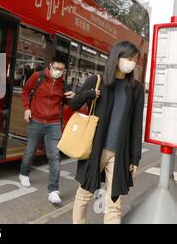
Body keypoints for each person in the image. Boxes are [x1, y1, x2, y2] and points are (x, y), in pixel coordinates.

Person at [69, 41, 144, 224]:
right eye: (128, 58)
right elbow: (73, 104)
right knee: (84, 196)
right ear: (116, 58)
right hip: (96, 150)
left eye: (134, 59)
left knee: (114, 202)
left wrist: (135, 158)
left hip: (119, 153)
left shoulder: (136, 88)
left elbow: (136, 124)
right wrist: (88, 95)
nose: (132, 63)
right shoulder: (97, 81)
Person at [19, 56, 76, 205]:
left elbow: (67, 103)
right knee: (30, 150)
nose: (58, 72)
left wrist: (72, 97)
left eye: (61, 70)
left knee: (54, 156)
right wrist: (26, 108)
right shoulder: (38, 77)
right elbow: (25, 91)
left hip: (54, 123)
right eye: (56, 68)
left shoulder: (63, 84)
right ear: (50, 66)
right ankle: (24, 173)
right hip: (36, 120)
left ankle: (53, 191)